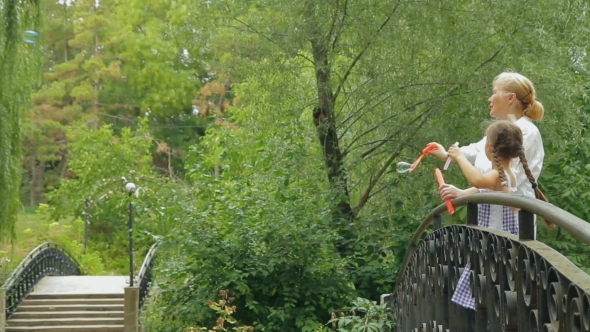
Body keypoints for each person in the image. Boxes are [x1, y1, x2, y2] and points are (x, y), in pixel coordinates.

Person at [447, 120, 545, 309]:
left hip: (496, 241)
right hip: (498, 239)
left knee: (490, 287)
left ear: (490, 147)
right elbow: (485, 189)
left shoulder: (499, 175)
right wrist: (462, 193)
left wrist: (460, 157)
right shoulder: (505, 173)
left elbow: (478, 180)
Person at [430, 72, 545, 233]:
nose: (489, 99)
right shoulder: (505, 129)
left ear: (511, 98)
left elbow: (499, 180)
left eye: (495, 92)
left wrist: (464, 188)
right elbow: (474, 150)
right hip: (492, 217)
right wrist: (446, 154)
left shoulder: (525, 132)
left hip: (514, 222)